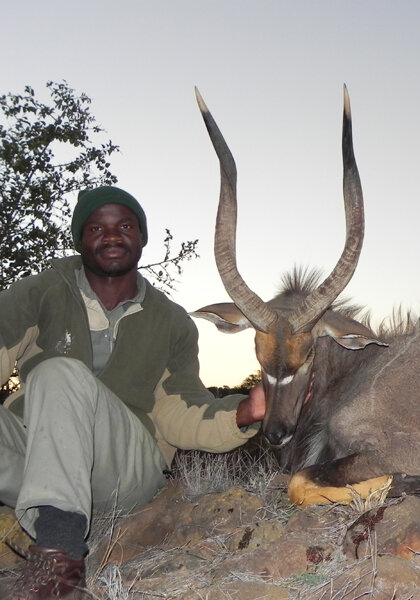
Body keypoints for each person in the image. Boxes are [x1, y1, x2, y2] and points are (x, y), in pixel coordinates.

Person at [0, 186, 266, 600]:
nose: (111, 236)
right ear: (80, 239)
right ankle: (56, 522)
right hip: (36, 456)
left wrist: (244, 411)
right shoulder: (39, 292)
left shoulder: (172, 322)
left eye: (124, 226)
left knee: (58, 374)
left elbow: (179, 410)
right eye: (96, 228)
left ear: (141, 238)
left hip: (125, 473)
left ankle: (61, 564)